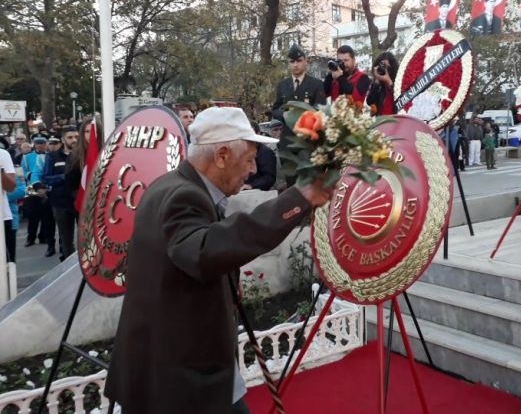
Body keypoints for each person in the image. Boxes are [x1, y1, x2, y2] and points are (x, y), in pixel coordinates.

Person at [105, 107, 333, 414]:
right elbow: (203, 251)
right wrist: (298, 199)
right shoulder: (184, 197)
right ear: (222, 156)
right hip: (181, 382)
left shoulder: (167, 185)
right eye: (250, 158)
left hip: (166, 368)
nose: (253, 170)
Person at [43, 127, 80, 261]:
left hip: (81, 202)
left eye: (76, 137)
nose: (74, 140)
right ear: (63, 139)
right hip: (60, 203)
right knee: (66, 239)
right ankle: (70, 268)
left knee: (85, 238)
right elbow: (46, 178)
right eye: (70, 137)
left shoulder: (84, 156)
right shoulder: (52, 156)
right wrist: (64, 177)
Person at [272, 44, 326, 124]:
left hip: (308, 132)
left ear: (305, 62)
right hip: (287, 133)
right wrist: (284, 115)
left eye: (299, 61)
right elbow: (275, 110)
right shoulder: (282, 85)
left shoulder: (316, 84)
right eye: (292, 61)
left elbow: (321, 109)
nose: (295, 65)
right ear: (288, 64)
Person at [21, 136, 56, 255]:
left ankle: (43, 236)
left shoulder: (49, 156)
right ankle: (30, 238)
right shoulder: (27, 157)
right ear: (34, 145)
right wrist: (30, 176)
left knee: (46, 214)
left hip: (46, 186)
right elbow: (24, 171)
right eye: (38, 143)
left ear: (45, 144)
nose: (40, 145)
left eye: (42, 143)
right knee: (33, 214)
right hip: (32, 187)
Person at [66, 118, 104, 213]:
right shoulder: (75, 155)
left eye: (93, 131)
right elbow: (70, 183)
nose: (90, 134)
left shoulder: (106, 152)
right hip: (82, 203)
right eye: (87, 131)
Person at [243, 123, 277, 191]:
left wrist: (251, 185)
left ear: (258, 134)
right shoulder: (243, 150)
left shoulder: (265, 152)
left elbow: (269, 178)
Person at [366, 52, 399, 116]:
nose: (385, 70)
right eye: (382, 66)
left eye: (388, 68)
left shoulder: (397, 82)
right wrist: (377, 81)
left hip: (395, 121)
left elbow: (400, 98)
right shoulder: (378, 84)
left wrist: (389, 82)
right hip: (380, 122)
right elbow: (369, 101)